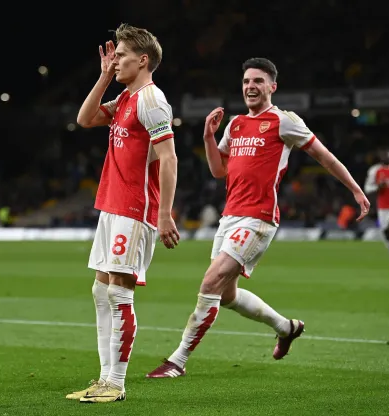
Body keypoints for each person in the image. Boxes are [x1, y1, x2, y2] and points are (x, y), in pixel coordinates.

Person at [145, 57, 370, 378]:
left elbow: (324, 156)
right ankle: (286, 327)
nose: (251, 86)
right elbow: (218, 170)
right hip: (229, 218)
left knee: (210, 282)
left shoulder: (284, 121)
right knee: (226, 295)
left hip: (259, 218)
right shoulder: (235, 124)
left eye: (258, 81)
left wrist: (356, 190)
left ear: (272, 87)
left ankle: (176, 361)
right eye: (247, 81)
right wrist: (209, 137)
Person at [66, 23, 180, 403]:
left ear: (143, 59)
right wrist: (102, 77)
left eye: (122, 56)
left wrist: (165, 214)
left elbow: (169, 157)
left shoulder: (151, 99)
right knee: (101, 291)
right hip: (112, 205)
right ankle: (104, 379)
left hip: (135, 208)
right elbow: (85, 119)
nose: (114, 61)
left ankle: (116, 383)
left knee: (118, 294)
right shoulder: (126, 98)